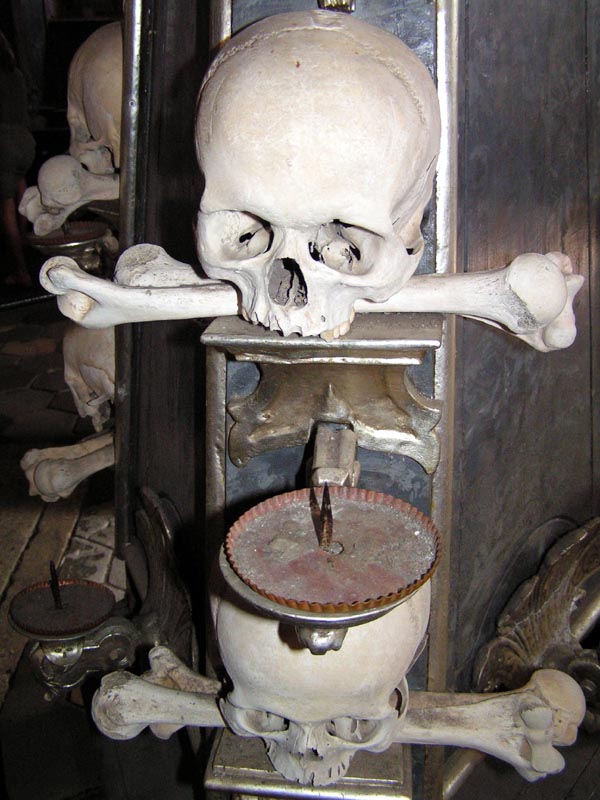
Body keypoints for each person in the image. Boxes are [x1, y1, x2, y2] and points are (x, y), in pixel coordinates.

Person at [0, 29, 35, 287]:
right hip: (25, 140)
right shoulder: (16, 74)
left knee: (6, 205)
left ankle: (20, 271)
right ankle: (25, 242)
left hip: (4, 141)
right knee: (20, 187)